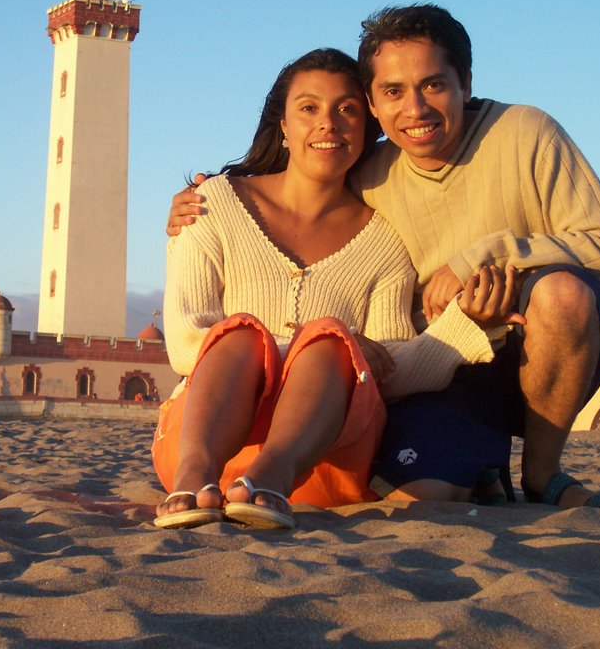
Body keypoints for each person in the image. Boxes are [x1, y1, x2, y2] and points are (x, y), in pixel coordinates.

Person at [168, 5, 600, 511]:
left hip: (533, 347)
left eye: (433, 84)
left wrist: (481, 262)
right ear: (374, 103)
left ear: (465, 82)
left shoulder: (518, 137)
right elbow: (191, 336)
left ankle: (542, 473)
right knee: (421, 491)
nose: (415, 108)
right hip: (430, 369)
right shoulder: (250, 198)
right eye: (393, 91)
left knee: (559, 293)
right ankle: (477, 466)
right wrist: (341, 352)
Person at [154, 48, 520, 530]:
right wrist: (329, 343)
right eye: (308, 108)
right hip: (201, 445)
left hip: (323, 463)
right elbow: (184, 346)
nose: (327, 124)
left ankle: (271, 475)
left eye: (346, 110)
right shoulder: (212, 204)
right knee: (247, 334)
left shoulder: (385, 241)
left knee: (330, 341)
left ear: (368, 128)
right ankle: (197, 477)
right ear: (283, 125)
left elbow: (393, 367)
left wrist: (464, 324)